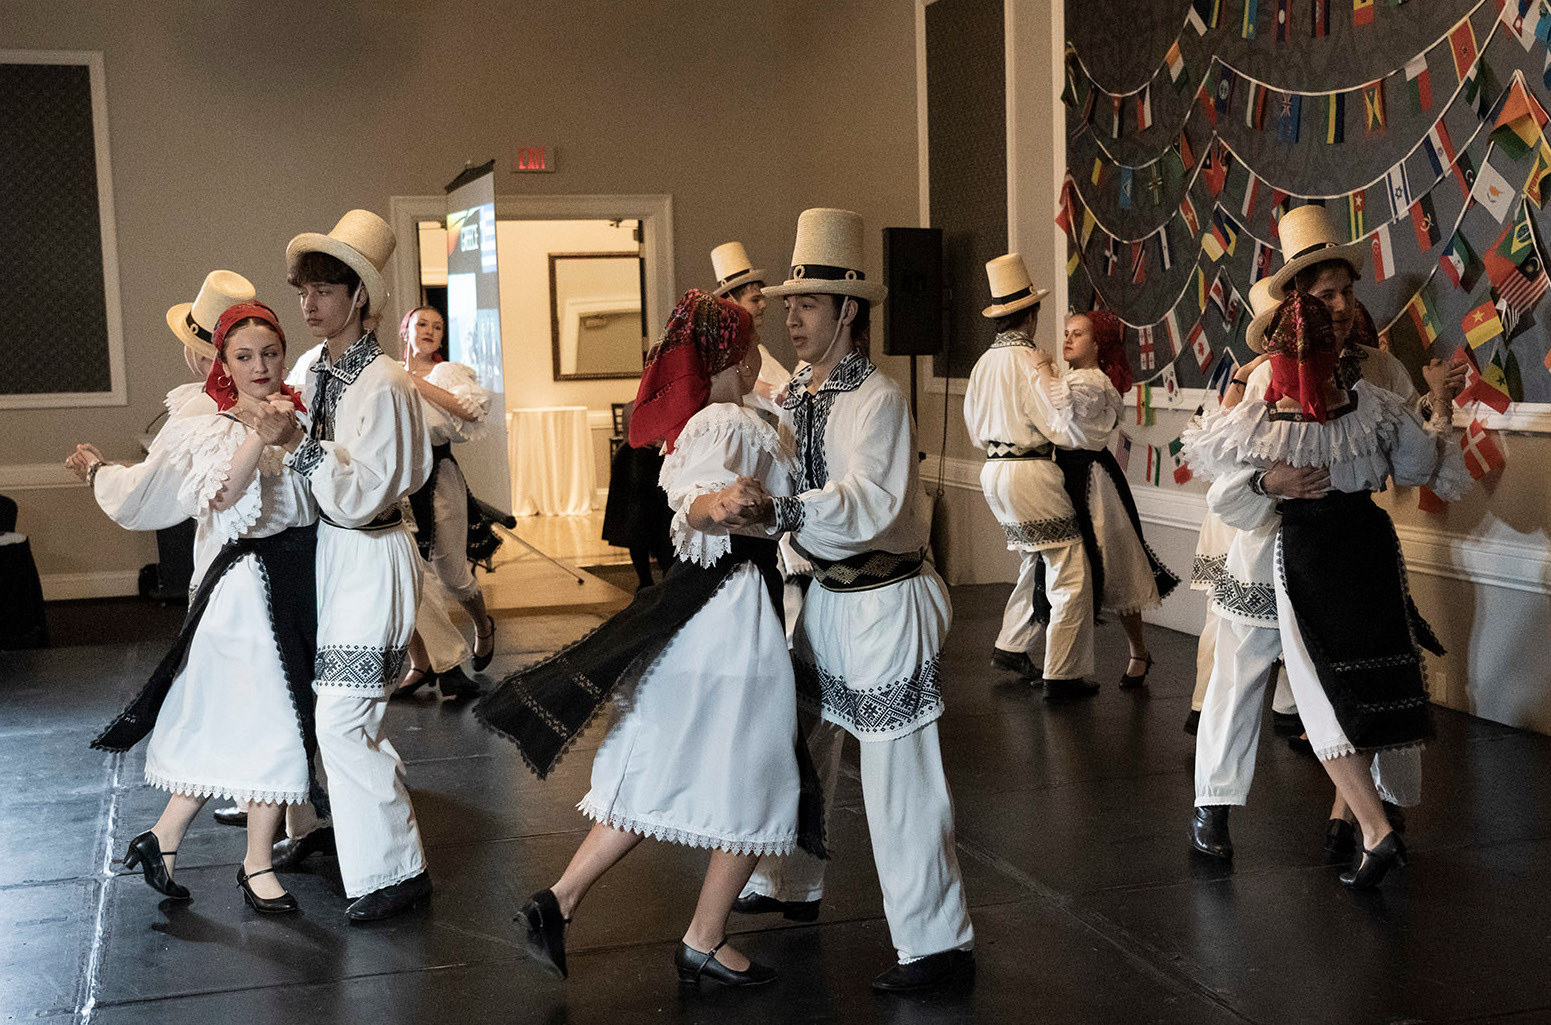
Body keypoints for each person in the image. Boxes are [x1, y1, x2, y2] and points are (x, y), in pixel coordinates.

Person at [477, 290, 819, 986]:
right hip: (734, 619)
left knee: (665, 762)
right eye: (754, 346)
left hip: (710, 615)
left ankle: (560, 898)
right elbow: (696, 494)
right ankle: (702, 935)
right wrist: (716, 504)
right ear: (735, 356)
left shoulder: (728, 416)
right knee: (762, 773)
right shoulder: (726, 419)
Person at [733, 208, 975, 992]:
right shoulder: (801, 389)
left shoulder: (877, 397)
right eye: (788, 303)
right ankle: (789, 880)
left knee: (896, 775)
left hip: (881, 599)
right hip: (823, 598)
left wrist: (785, 508)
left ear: (848, 311)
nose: (791, 316)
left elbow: (867, 499)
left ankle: (937, 943)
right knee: (796, 741)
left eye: (806, 303)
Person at [1188, 205, 1468, 860]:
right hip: (1267, 549)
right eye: (1325, 294)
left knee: (1354, 676)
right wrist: (1269, 484)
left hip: (1342, 553)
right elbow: (1224, 484)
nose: (1340, 305)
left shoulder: (1378, 371)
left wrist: (1434, 407)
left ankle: (1359, 811)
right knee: (1240, 672)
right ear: (1296, 301)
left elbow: (1406, 453)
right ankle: (1212, 804)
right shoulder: (1265, 377)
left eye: (1346, 291)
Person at [78, 302, 320, 914]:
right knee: (278, 722)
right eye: (244, 356)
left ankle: (162, 840)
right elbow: (222, 498)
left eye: (270, 353)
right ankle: (256, 865)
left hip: (296, 578)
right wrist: (257, 437)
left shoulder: (304, 412)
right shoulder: (211, 424)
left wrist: (289, 433)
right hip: (243, 587)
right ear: (225, 363)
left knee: (254, 719)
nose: (260, 366)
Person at [252, 209, 434, 922]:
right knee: (327, 707)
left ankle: (398, 868)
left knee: (344, 718)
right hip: (329, 553)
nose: (308, 303)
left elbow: (363, 494)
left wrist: (295, 442)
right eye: (302, 289)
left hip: (370, 551)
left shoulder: (384, 381)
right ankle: (357, 842)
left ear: (359, 296)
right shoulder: (312, 368)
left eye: (323, 289)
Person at [962, 253, 1095, 698]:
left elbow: (973, 426)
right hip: (1030, 469)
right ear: (1032, 315)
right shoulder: (1031, 360)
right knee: (1070, 570)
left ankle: (1012, 643)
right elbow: (1057, 423)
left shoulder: (983, 363)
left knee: (1036, 558)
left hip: (994, 470)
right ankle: (1063, 673)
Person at [1044, 310, 1179, 689]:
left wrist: (1039, 367)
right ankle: (1058, 659)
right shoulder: (1072, 378)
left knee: (1116, 564)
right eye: (1066, 332)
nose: (1067, 339)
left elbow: (1053, 399)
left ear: (1098, 344)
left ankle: (1138, 649)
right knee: (1066, 568)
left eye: (1079, 334)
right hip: (1065, 475)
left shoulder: (1093, 383)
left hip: (1092, 479)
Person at [392, 305, 492, 700]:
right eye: (422, 324)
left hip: (438, 477)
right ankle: (427, 664)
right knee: (411, 573)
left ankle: (484, 627)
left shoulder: (445, 373)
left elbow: (467, 411)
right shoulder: (386, 374)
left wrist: (412, 382)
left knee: (451, 573)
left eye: (437, 326)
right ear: (406, 330)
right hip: (398, 480)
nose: (430, 330)